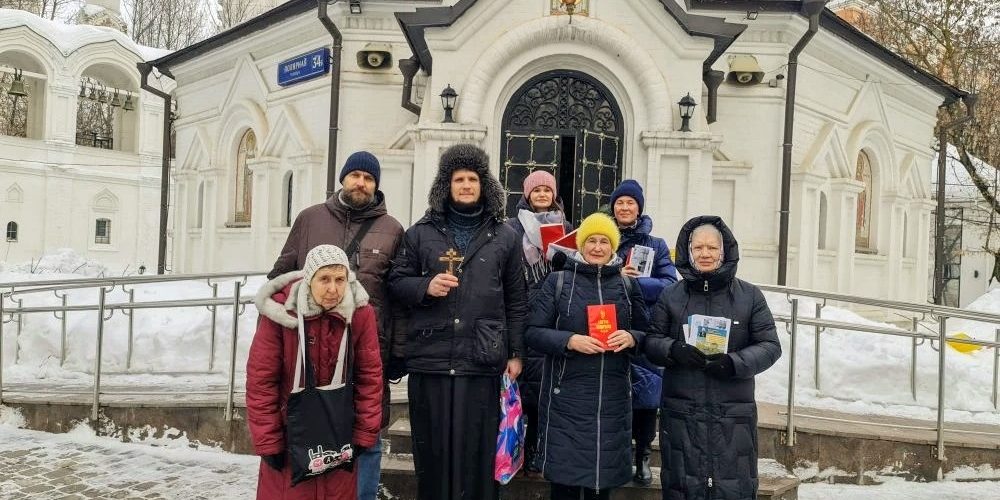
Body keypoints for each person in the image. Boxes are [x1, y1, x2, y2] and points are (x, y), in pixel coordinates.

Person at [388, 143, 527, 500]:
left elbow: (516, 298)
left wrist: (516, 353)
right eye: (458, 179)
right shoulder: (421, 233)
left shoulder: (505, 236)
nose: (466, 185)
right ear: (446, 186)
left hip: (481, 358)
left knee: (477, 455)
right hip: (431, 358)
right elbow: (397, 282)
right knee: (433, 454)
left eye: (472, 179)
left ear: (484, 185)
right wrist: (426, 285)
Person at [267, 151, 404, 500]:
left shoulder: (392, 230)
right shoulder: (310, 219)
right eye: (355, 174)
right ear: (343, 177)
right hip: (308, 351)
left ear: (376, 185)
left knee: (367, 433)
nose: (361, 182)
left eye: (369, 178)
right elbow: (280, 276)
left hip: (367, 348)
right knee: (312, 430)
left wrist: (396, 351)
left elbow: (398, 295)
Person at [643, 216, 781, 500]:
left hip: (732, 414)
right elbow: (651, 341)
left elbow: (770, 345)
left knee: (732, 488)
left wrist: (734, 363)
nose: (704, 254)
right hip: (683, 412)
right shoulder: (671, 296)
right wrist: (674, 350)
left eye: (711, 248)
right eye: (698, 248)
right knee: (684, 488)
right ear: (688, 251)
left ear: (724, 251)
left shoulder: (749, 296)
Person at [526, 212, 649, 500]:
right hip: (567, 400)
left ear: (613, 247)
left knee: (600, 486)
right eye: (591, 240)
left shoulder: (627, 286)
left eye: (604, 241)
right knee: (565, 486)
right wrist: (569, 340)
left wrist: (633, 338)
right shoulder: (558, 282)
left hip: (612, 400)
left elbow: (649, 334)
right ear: (580, 245)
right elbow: (532, 332)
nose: (597, 247)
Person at [247, 244, 383, 499]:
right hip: (291, 439)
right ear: (309, 279)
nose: (333, 289)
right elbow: (261, 380)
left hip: (338, 438)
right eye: (324, 279)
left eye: (340, 279)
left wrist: (365, 433)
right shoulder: (281, 313)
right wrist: (268, 440)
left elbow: (370, 377)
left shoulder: (360, 314)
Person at [608, 179, 678, 486]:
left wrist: (635, 282)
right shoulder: (601, 237)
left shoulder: (655, 245)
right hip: (607, 324)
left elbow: (669, 283)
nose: (624, 207)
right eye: (620, 203)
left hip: (642, 325)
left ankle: (643, 455)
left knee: (647, 392)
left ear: (639, 208)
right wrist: (615, 273)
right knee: (613, 393)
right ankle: (619, 454)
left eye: (630, 203)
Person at [504, 169, 572, 475]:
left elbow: (575, 265)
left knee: (548, 385)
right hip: (522, 306)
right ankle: (520, 447)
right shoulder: (512, 228)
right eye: (536, 190)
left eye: (547, 190)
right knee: (524, 386)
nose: (542, 195)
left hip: (555, 312)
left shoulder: (566, 227)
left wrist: (561, 258)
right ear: (527, 194)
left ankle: (542, 445)